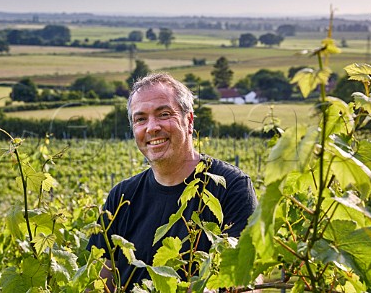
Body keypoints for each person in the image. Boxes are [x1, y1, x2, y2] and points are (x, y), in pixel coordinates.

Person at [86, 73, 257, 291]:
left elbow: (247, 282)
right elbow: (100, 286)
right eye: (140, 119)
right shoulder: (121, 197)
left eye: (164, 114)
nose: (152, 127)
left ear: (189, 120)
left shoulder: (231, 187)